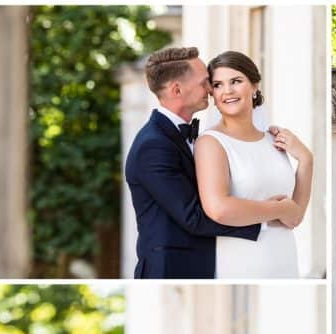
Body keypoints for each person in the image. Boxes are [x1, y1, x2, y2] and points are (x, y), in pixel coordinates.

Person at [124, 46, 297, 278]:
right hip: (172, 270)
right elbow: (193, 217)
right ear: (177, 90)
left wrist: (304, 158)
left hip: (213, 263)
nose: (210, 89)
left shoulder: (179, 135)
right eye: (206, 83)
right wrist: (273, 213)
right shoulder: (153, 145)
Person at [195, 51, 313, 278]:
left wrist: (306, 158)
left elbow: (295, 217)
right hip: (240, 261)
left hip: (284, 259)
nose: (227, 91)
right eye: (218, 85)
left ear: (254, 85)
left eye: (236, 81)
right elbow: (219, 209)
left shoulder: (273, 140)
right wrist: (279, 209)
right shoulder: (210, 143)